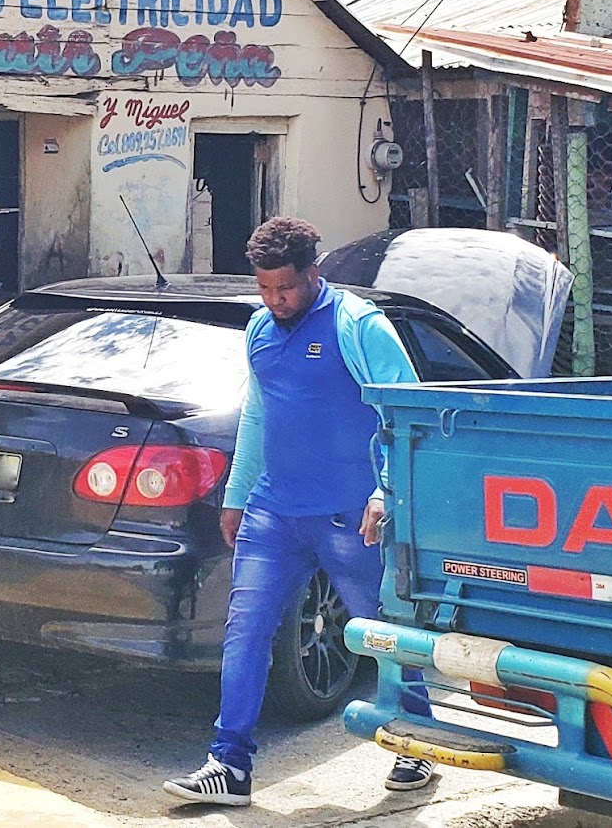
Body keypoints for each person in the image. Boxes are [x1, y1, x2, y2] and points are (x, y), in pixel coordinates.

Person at [163, 216, 433, 808]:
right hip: (273, 513)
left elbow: (408, 415)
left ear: (314, 273)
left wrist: (387, 492)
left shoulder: (359, 326)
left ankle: (416, 742)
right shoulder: (260, 327)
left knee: (383, 634)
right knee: (246, 631)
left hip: (349, 517)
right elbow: (258, 415)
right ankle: (228, 763)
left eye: (284, 288)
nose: (274, 300)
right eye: (264, 288)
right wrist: (237, 495)